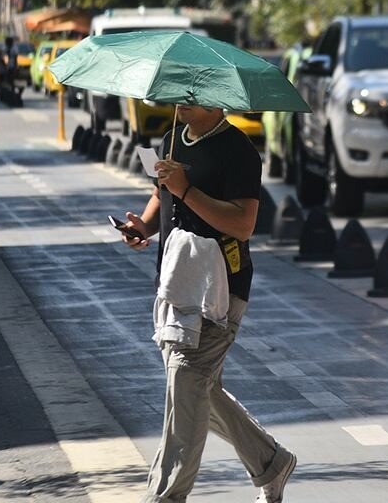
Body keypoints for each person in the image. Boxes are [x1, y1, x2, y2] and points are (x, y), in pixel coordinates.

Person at [120, 105, 296, 503]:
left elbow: (242, 224)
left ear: (216, 99)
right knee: (197, 388)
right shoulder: (171, 139)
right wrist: (141, 226)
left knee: (185, 380)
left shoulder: (238, 150)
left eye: (191, 92)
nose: (180, 101)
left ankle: (165, 496)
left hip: (217, 289)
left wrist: (185, 189)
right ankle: (270, 461)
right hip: (174, 283)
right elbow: (159, 194)